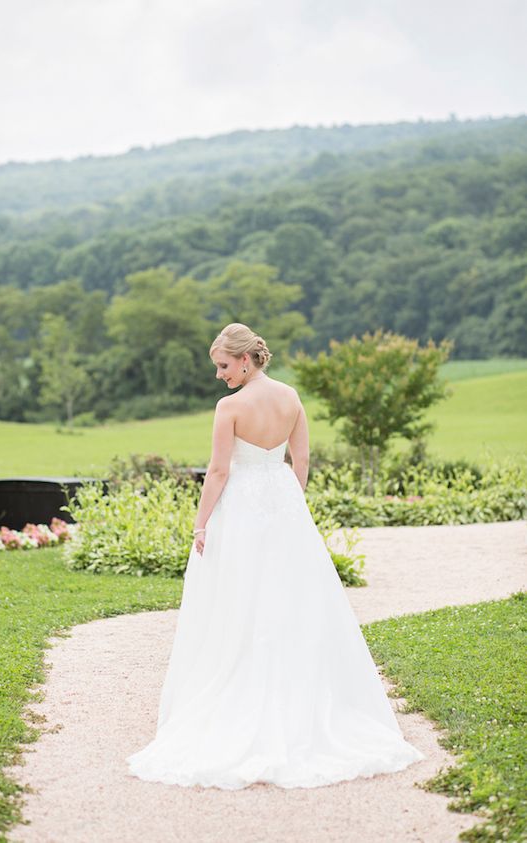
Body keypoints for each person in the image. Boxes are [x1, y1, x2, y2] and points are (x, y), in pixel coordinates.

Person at [126, 322, 425, 789]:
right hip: (285, 510)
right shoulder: (291, 397)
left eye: (223, 366)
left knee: (239, 601)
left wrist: (201, 522)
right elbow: (299, 463)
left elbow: (220, 470)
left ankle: (242, 700)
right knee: (292, 604)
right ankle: (297, 700)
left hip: (240, 512)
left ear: (245, 360)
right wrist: (287, 505)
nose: (219, 375)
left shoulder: (230, 407)